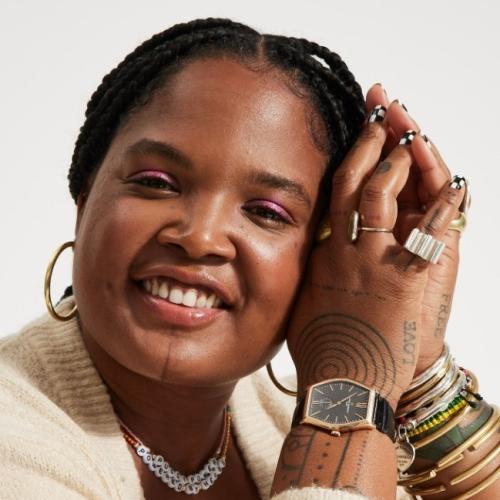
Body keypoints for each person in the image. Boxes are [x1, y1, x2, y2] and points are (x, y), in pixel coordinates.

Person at [0, 17, 498, 500]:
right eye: (157, 183)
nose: (200, 238)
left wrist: (419, 372)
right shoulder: (14, 437)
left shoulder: (278, 412)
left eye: (267, 212)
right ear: (85, 198)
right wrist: (351, 387)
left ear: (323, 257)